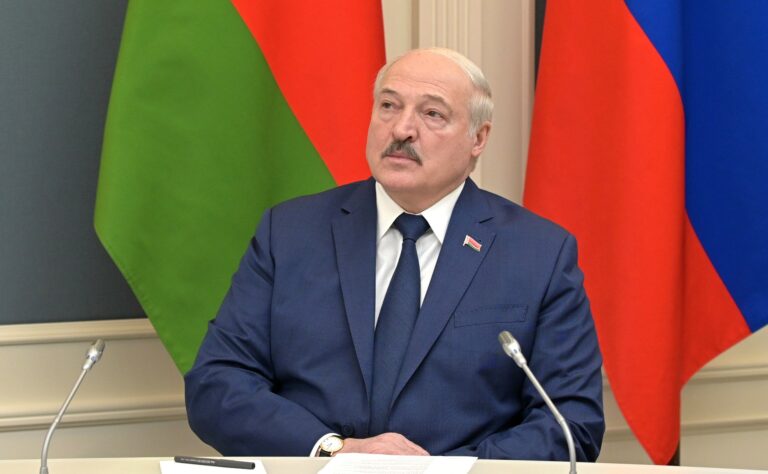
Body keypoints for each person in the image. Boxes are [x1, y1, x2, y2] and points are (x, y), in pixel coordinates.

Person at [184, 47, 604, 460]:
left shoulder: (538, 254)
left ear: (478, 138)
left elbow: (571, 423)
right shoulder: (290, 233)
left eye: (432, 113)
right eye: (389, 106)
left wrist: (441, 473)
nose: (402, 129)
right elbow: (217, 382)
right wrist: (334, 449)